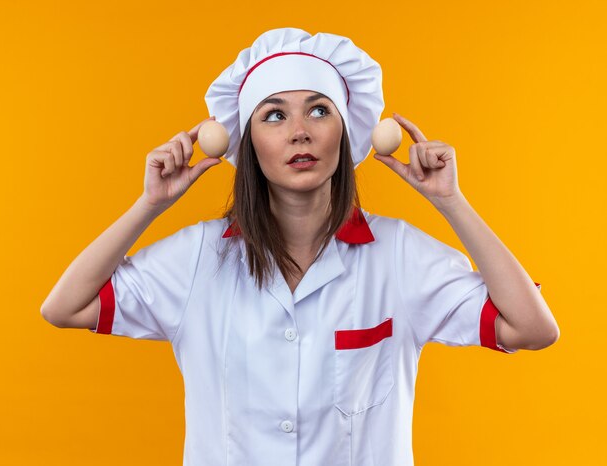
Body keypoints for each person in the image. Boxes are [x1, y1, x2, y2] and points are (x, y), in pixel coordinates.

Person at [41, 28, 560, 466]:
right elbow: (64, 307)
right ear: (246, 144)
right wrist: (149, 206)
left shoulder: (398, 255)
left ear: (346, 133)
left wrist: (451, 202)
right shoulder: (200, 257)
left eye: (318, 111)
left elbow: (533, 328)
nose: (299, 133)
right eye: (273, 115)